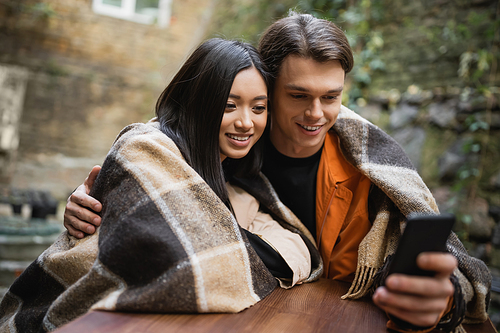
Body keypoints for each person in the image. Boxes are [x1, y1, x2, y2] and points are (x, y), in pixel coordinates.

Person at [64, 13, 491, 333]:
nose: (316, 113)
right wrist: (88, 204)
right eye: (298, 95)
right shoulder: (229, 144)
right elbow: (160, 166)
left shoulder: (370, 162)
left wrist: (443, 297)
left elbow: (435, 256)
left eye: (331, 97)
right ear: (267, 88)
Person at [0, 38, 321, 332]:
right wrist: (223, 242)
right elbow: (172, 255)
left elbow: (295, 251)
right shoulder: (147, 148)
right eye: (229, 105)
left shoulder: (235, 180)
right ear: (199, 102)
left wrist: (219, 239)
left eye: (259, 107)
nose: (246, 122)